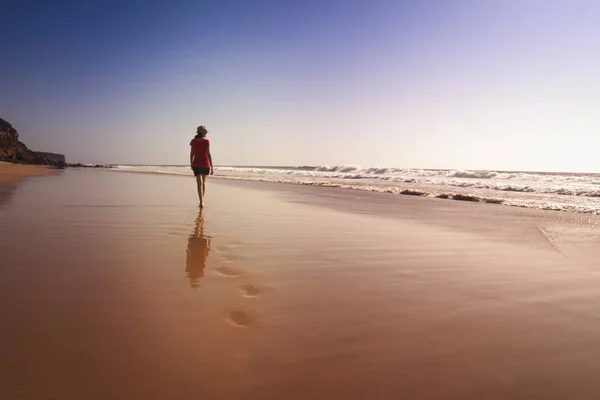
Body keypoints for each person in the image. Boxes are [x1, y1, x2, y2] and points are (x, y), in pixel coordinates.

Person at [190, 125, 214, 207]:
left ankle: (201, 201)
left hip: (196, 163)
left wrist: (191, 164)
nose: (206, 133)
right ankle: (202, 201)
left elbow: (192, 154)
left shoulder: (193, 141)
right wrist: (212, 167)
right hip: (205, 163)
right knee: (203, 183)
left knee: (199, 183)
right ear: (203, 133)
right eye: (205, 132)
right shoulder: (206, 141)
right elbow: (209, 154)